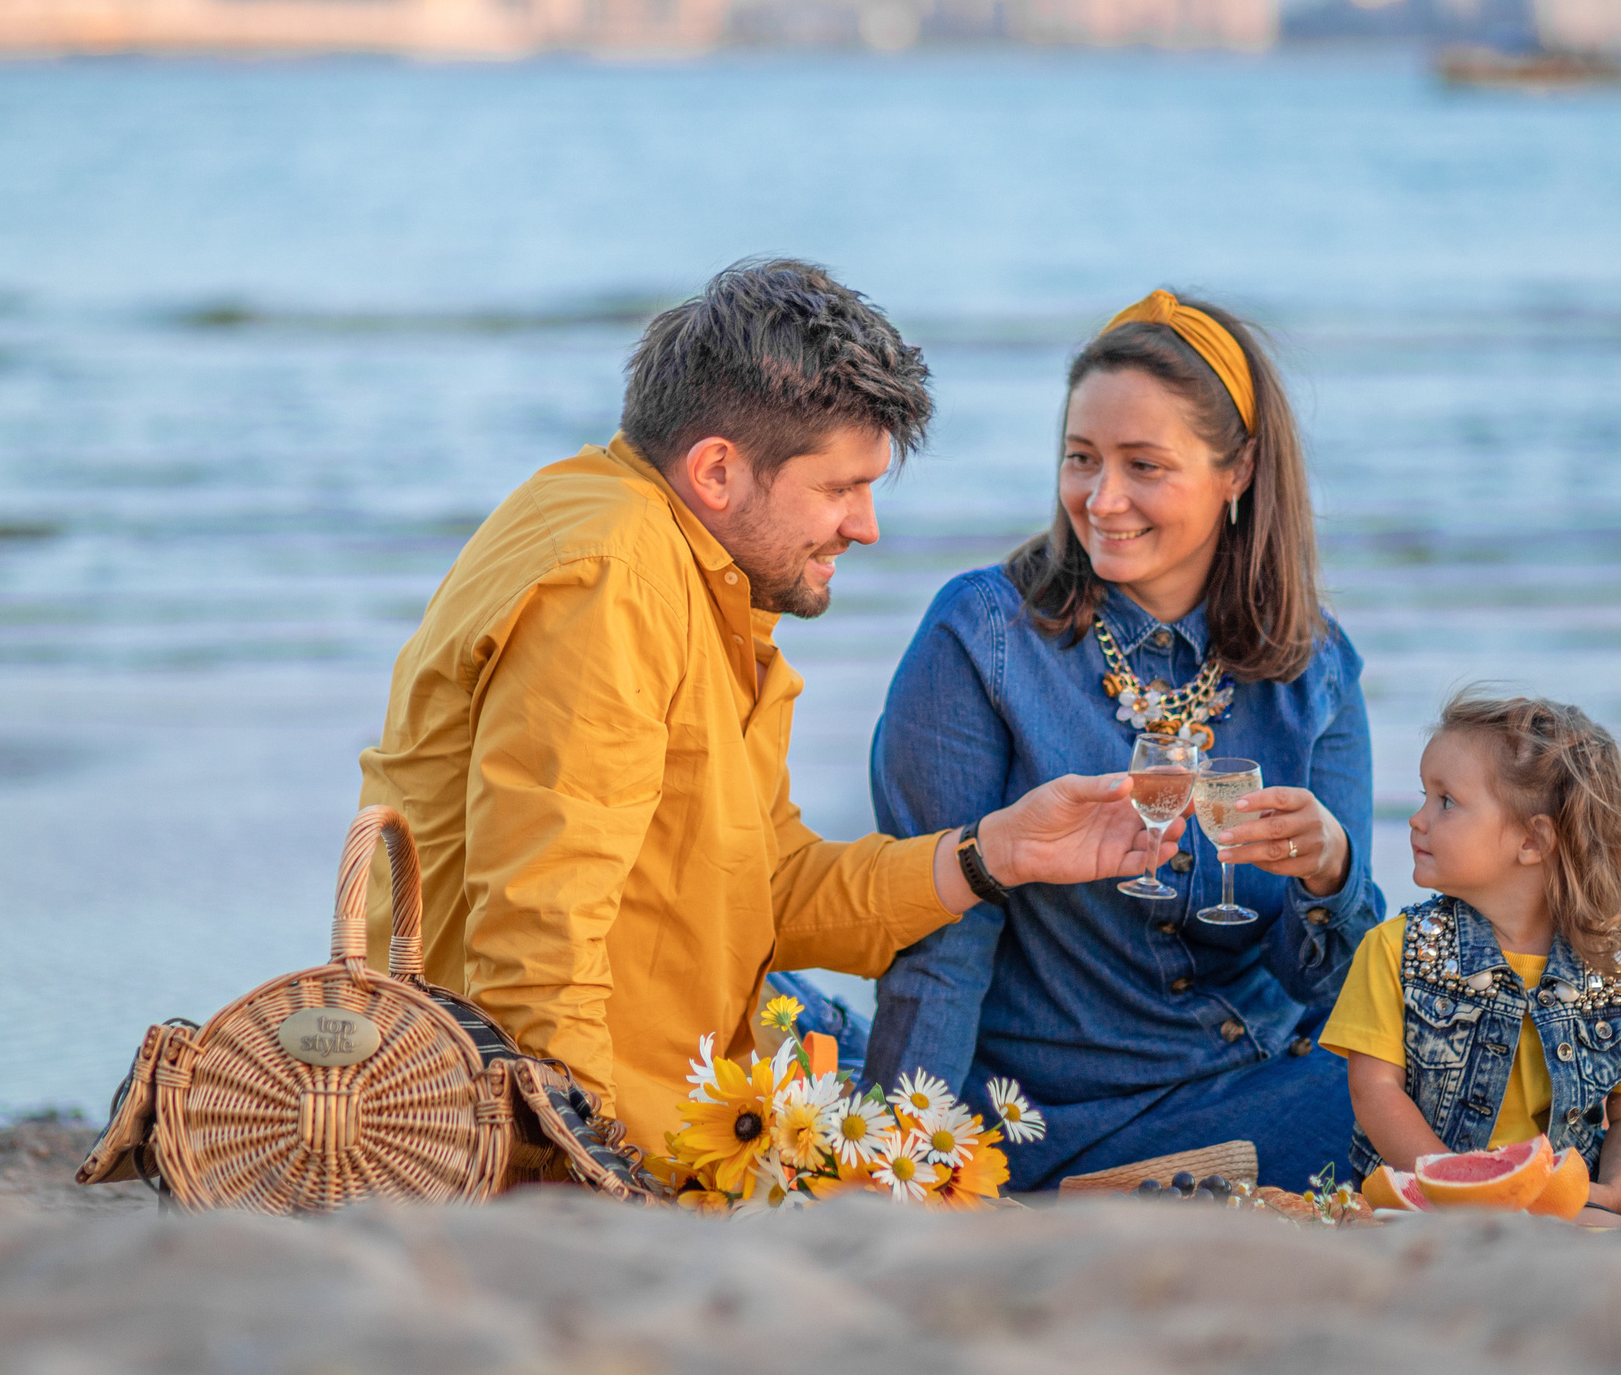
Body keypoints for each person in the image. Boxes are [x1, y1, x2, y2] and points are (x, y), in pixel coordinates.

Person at [356, 259, 1175, 1160]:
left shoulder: (687, 564)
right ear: (716, 469)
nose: (864, 526)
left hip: (684, 1085)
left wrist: (996, 853)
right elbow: (537, 948)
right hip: (560, 1125)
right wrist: (597, 1180)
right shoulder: (611, 581)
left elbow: (768, 890)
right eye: (839, 488)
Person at [867, 289, 1382, 1192]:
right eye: (1081, 458)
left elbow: (1332, 990)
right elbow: (941, 940)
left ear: (1239, 470)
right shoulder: (982, 637)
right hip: (1053, 1110)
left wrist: (1329, 873)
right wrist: (896, 1165)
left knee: (1477, 1058)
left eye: (1144, 465)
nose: (1101, 499)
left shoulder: (1314, 667)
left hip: (1260, 1080)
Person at [1323, 692, 1621, 1219]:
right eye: (1423, 795)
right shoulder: (1396, 951)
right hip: (1426, 1181)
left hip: (1575, 1178)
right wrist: (1454, 1180)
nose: (1416, 818)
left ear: (1532, 841)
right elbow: (1374, 1089)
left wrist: (1614, 1193)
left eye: (1446, 801)